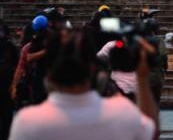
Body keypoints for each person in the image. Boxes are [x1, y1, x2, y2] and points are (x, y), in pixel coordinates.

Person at [8, 29, 157, 140]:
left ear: (48, 70)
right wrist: (142, 79)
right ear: (93, 68)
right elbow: (152, 132)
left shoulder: (27, 121)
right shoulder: (123, 111)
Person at [11, 15, 49, 108]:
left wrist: (13, 86)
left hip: (36, 86)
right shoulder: (54, 43)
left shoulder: (27, 48)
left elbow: (20, 68)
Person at [0, 22, 18, 140]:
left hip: (7, 83)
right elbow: (17, 65)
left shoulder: (10, 47)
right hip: (7, 83)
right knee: (6, 115)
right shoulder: (10, 46)